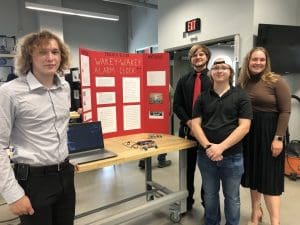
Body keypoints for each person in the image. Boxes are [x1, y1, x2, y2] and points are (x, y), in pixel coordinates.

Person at [0, 30, 75, 225]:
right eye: (42, 52)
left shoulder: (64, 88)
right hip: (34, 182)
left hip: (66, 176)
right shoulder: (10, 92)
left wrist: (64, 157)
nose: (50, 58)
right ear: (29, 57)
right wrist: (13, 194)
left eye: (55, 52)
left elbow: (58, 129)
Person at [192, 58, 252, 225]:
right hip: (206, 156)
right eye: (216, 67)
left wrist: (221, 147)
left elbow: (244, 127)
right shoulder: (202, 97)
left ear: (230, 72)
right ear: (211, 72)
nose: (219, 70)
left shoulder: (241, 96)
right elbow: (195, 125)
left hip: (232, 157)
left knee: (232, 197)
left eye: (223, 67)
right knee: (210, 195)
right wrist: (209, 147)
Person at [239, 47, 291, 225]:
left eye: (262, 59)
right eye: (254, 59)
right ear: (248, 60)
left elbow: (285, 111)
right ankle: (255, 214)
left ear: (266, 61)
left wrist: (278, 138)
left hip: (270, 133)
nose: (258, 63)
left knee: (269, 180)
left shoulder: (276, 81)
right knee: (253, 176)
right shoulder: (242, 82)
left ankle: (275, 222)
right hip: (250, 134)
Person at [173, 44, 211, 211]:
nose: (198, 57)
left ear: (207, 58)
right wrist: (189, 122)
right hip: (187, 132)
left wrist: (202, 126)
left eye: (201, 54)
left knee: (207, 172)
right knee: (186, 169)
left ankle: (207, 203)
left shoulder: (213, 78)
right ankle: (186, 202)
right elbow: (177, 105)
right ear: (191, 59)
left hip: (208, 133)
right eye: (195, 55)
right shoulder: (184, 80)